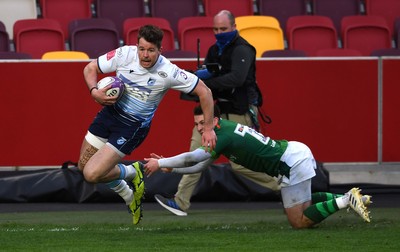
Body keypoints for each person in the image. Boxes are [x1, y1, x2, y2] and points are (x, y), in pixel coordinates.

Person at [144, 105, 372, 229]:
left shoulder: (221, 135)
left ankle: (345, 200)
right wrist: (172, 169)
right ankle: (349, 198)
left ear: (215, 121)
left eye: (203, 123)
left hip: (290, 162)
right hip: (293, 153)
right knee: (303, 209)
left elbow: (191, 157)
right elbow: (198, 166)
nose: (200, 129)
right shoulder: (222, 131)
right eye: (196, 125)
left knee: (298, 221)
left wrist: (161, 162)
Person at [78, 25, 217, 225]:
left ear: (160, 50)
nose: (145, 55)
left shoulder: (169, 71)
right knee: (83, 166)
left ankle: (133, 171)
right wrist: (94, 91)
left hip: (132, 127)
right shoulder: (124, 54)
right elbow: (90, 68)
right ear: (136, 47)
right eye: (142, 49)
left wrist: (210, 128)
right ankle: (128, 192)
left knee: (92, 174)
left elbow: (205, 92)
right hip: (109, 114)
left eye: (151, 50)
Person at [156, 10, 280, 216]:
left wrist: (205, 84)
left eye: (223, 29)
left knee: (241, 164)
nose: (219, 32)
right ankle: (180, 202)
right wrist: (198, 78)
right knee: (196, 155)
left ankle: (283, 186)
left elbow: (236, 79)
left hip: (239, 112)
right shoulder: (215, 50)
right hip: (215, 113)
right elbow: (212, 75)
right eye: (215, 29)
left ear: (233, 27)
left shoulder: (244, 49)